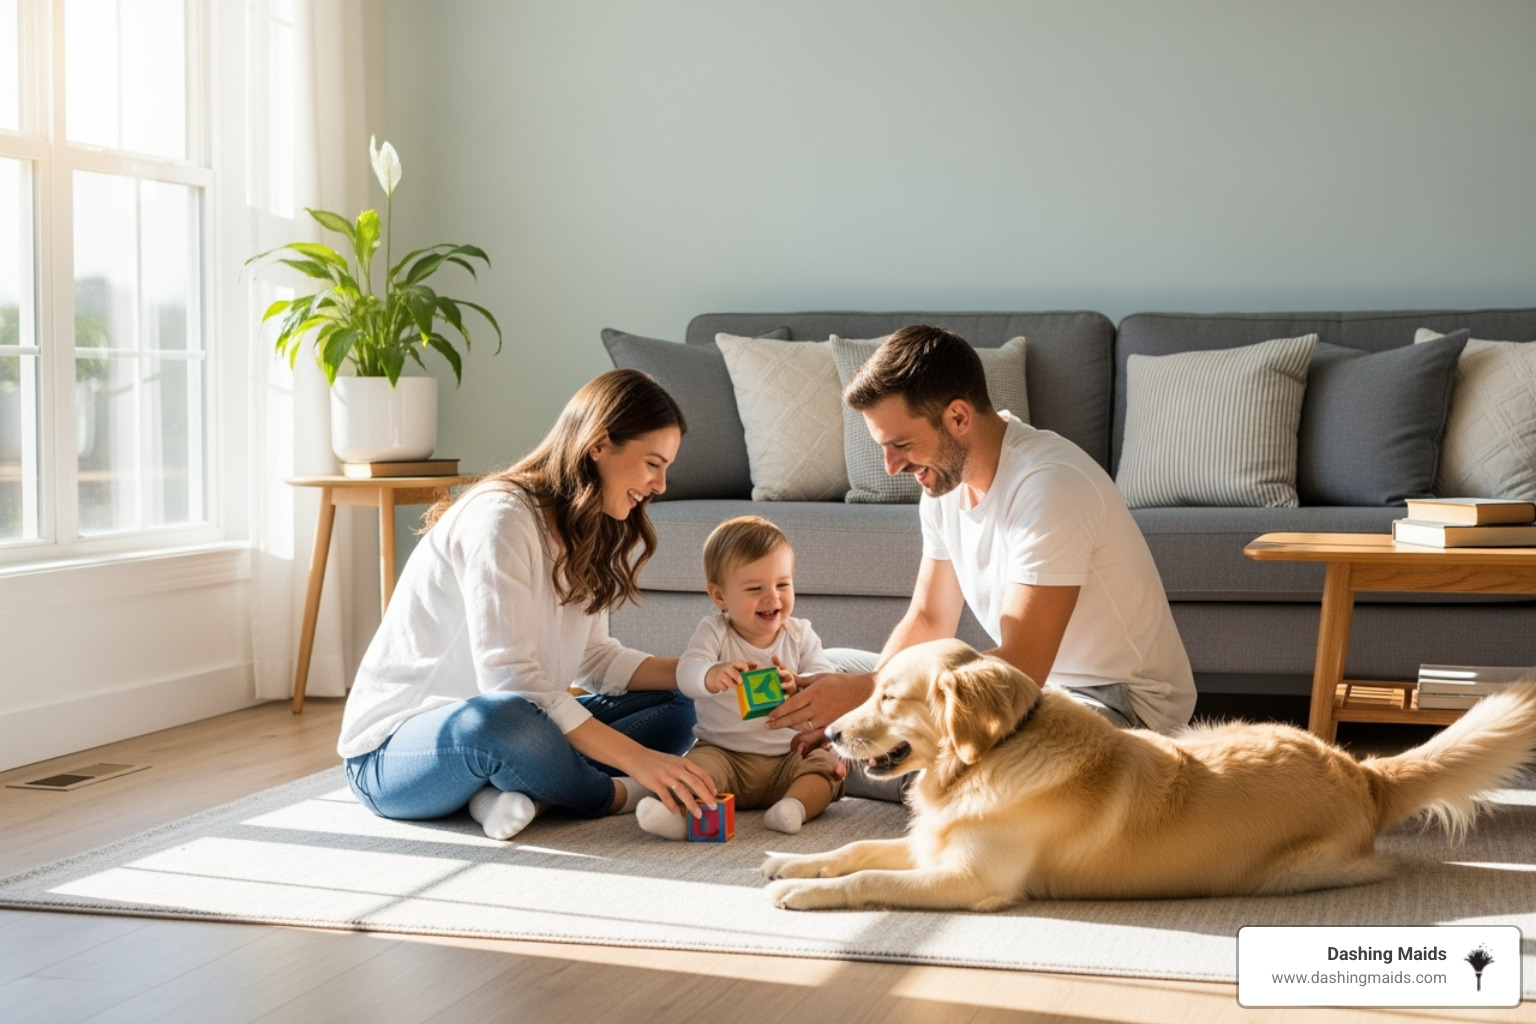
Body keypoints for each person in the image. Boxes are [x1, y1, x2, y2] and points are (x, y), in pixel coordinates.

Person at [767, 324, 1196, 783]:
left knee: (969, 768)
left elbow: (1024, 662)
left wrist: (871, 696)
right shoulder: (941, 487)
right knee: (825, 675)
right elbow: (930, 618)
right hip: (1023, 691)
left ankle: (829, 768)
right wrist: (862, 702)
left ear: (957, 416)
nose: (891, 467)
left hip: (1116, 704)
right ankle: (815, 761)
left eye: (901, 445)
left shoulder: (1050, 483)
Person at [337, 369, 717, 841]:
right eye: (653, 464)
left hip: (518, 729)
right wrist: (639, 765)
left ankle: (516, 792)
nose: (660, 485)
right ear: (599, 445)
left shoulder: (588, 524)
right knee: (502, 720)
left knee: (683, 697)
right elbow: (511, 683)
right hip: (395, 754)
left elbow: (595, 659)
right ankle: (617, 794)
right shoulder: (501, 517)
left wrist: (708, 672)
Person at [637, 515, 842, 838]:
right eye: (754, 589)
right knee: (693, 772)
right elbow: (687, 673)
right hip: (724, 754)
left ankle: (793, 808)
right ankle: (676, 818)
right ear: (720, 597)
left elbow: (825, 678)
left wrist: (799, 685)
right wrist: (712, 673)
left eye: (783, 584)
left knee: (826, 767)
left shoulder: (800, 634)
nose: (772, 597)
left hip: (790, 754)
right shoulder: (715, 632)